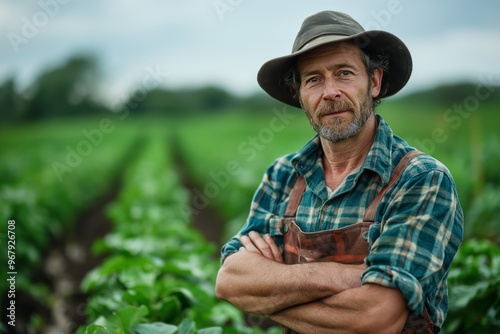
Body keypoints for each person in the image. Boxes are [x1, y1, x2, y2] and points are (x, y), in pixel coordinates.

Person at [215, 10, 463, 334]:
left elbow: (375, 319)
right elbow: (231, 282)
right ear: (300, 95)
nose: (329, 92)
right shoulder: (282, 177)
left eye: (344, 73)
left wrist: (269, 295)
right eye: (313, 79)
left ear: (374, 82)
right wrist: (348, 275)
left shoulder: (421, 180)